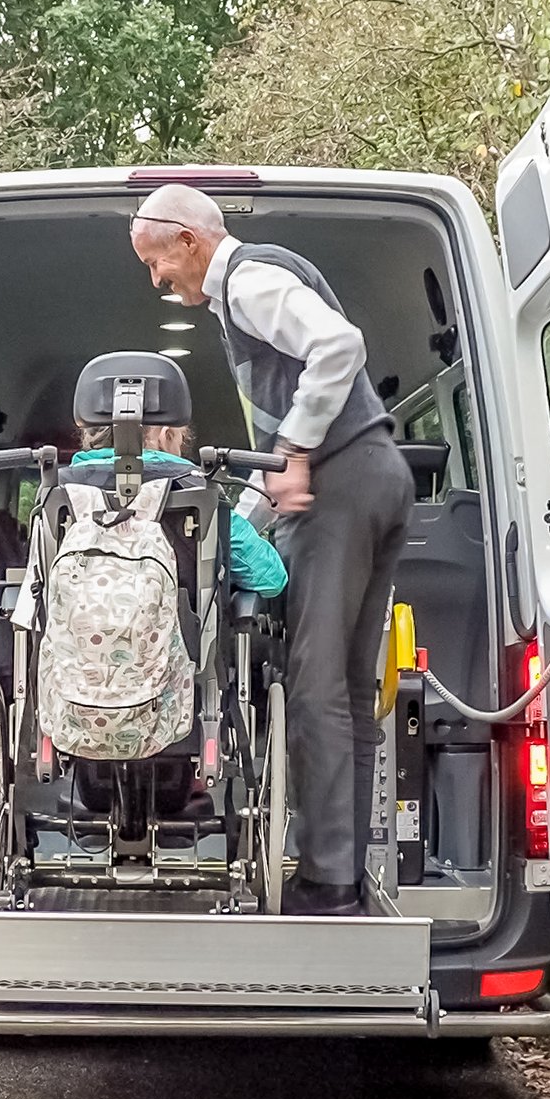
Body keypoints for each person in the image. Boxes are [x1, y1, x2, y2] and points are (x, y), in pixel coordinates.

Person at [129, 183, 413, 916]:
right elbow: (274, 465)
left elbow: (339, 346)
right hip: (377, 473)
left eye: (158, 262)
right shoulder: (244, 294)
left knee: (314, 684)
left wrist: (293, 446)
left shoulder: (249, 279)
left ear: (188, 240)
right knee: (348, 689)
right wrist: (248, 513)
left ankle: (324, 879)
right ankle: (340, 874)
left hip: (341, 483)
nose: (158, 279)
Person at [59, 421, 287, 596]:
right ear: (164, 434)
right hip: (180, 654)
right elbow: (269, 578)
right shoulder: (196, 488)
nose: (180, 447)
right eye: (180, 439)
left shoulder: (60, 488)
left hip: (68, 654)